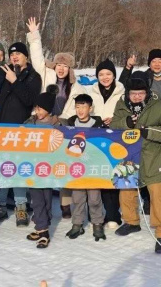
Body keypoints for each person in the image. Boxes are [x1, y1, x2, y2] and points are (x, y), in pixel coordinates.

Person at [25, 16, 85, 218]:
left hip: (61, 127)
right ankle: (41, 205)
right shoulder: (46, 74)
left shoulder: (75, 86)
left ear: (70, 69)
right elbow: (37, 57)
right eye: (58, 64)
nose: (61, 68)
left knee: (63, 164)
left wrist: (63, 119)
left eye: (65, 66)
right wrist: (34, 35)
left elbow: (80, 105)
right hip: (42, 124)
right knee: (41, 164)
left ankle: (65, 203)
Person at [111, 77, 161, 254]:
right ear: (128, 94)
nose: (137, 97)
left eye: (141, 93)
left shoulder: (160, 106)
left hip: (153, 156)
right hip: (129, 155)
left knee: (157, 194)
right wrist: (126, 123)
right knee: (126, 189)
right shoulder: (121, 105)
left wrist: (150, 132)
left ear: (147, 93)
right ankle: (131, 222)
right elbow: (113, 125)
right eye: (133, 93)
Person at [0, 41, 43, 227]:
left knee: (18, 168)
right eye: (12, 54)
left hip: (22, 129)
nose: (14, 56)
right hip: (2, 128)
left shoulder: (33, 76)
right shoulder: (4, 72)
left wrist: (15, 80)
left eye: (18, 53)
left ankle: (21, 206)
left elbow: (29, 100)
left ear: (26, 56)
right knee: (3, 166)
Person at [22, 88, 66, 249]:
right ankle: (43, 231)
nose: (37, 111)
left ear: (48, 108)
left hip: (49, 169)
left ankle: (40, 224)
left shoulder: (58, 124)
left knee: (47, 199)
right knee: (38, 200)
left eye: (40, 108)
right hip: (33, 168)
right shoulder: (30, 122)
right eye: (36, 108)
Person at [87, 58, 127, 229]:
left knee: (115, 175)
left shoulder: (122, 92)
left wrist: (116, 120)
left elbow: (128, 114)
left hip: (117, 138)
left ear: (114, 75)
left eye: (108, 74)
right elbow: (85, 112)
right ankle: (98, 212)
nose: (105, 77)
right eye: (101, 74)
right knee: (100, 174)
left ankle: (113, 214)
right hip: (97, 138)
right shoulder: (92, 92)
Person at [65, 93, 106, 242]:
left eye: (84, 106)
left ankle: (97, 223)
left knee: (94, 198)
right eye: (77, 107)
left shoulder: (99, 125)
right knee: (77, 197)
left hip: (93, 168)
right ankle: (77, 224)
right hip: (75, 168)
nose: (81, 110)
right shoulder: (69, 125)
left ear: (90, 108)